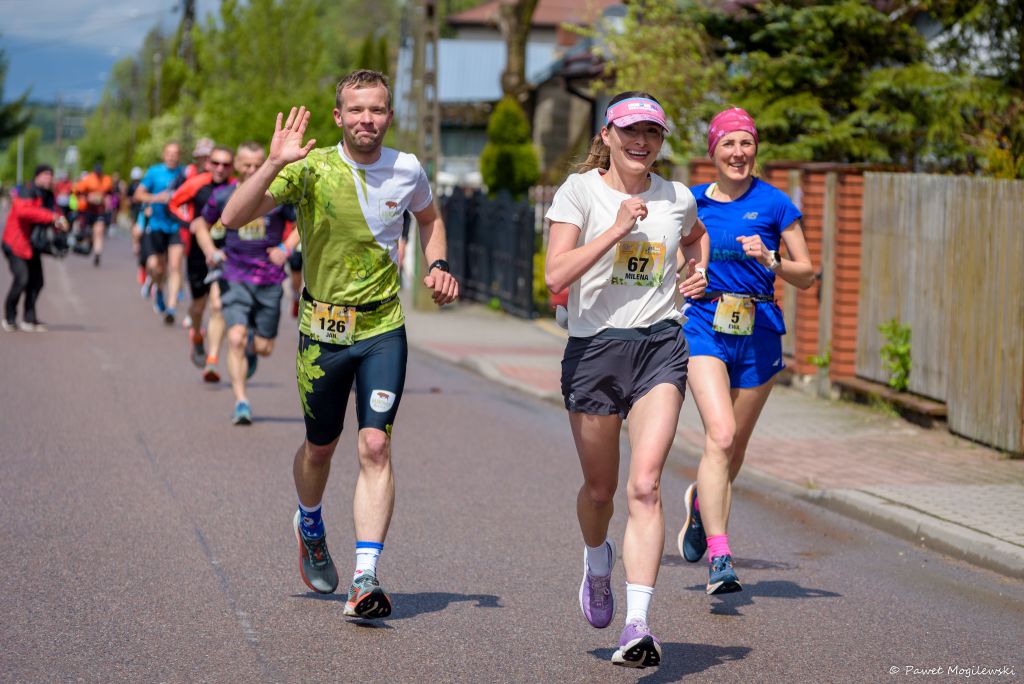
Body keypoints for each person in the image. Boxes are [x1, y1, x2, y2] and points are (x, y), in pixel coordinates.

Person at [221, 69, 459, 619]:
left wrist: (439, 263)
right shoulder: (310, 168)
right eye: (356, 110)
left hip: (382, 328)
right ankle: (309, 521)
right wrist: (275, 163)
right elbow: (233, 219)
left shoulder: (408, 169)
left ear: (389, 116)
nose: (366, 120)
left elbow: (430, 218)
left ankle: (365, 577)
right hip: (321, 332)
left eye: (376, 110)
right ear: (338, 117)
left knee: (375, 446)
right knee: (320, 448)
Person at [544, 91, 709, 668]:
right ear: (608, 135)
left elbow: (694, 236)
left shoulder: (677, 197)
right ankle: (596, 560)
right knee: (600, 492)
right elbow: (555, 275)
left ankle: (637, 624)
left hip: (659, 348)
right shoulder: (579, 192)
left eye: (653, 134)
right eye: (631, 132)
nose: (642, 143)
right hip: (593, 351)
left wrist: (698, 270)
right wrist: (615, 229)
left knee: (645, 486)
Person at [675, 107, 815, 595]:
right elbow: (671, 259)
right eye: (728, 144)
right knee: (721, 432)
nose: (738, 153)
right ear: (712, 151)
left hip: (758, 331)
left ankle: (699, 504)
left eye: (746, 144)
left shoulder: (776, 205)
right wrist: (682, 276)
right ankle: (721, 557)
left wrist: (772, 259)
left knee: (731, 452)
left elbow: (808, 273)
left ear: (756, 149)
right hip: (704, 326)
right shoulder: (689, 203)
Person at [194, 142, 292, 421]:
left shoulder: (279, 195)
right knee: (234, 337)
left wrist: (285, 249)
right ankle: (241, 401)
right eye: (246, 165)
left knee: (264, 348)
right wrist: (211, 250)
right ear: (237, 165)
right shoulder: (225, 195)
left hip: (269, 279)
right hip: (235, 275)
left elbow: (302, 224)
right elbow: (201, 223)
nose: (251, 170)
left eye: (256, 164)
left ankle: (253, 345)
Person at [170, 144, 235, 369]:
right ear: (208, 164)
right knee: (198, 306)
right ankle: (197, 336)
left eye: (225, 165)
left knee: (218, 305)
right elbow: (174, 203)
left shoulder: (235, 187)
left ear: (231, 167)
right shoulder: (197, 184)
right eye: (215, 163)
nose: (220, 168)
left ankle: (213, 359)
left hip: (225, 254)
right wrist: (189, 224)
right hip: (198, 252)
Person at [2, 164, 69, 332]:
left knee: (37, 282)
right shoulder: (27, 190)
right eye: (46, 175)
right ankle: (9, 317)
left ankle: (29, 320)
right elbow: (23, 212)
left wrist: (60, 223)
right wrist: (52, 217)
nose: (49, 178)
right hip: (16, 243)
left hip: (32, 245)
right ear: (37, 176)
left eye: (51, 175)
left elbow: (54, 213)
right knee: (22, 279)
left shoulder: (48, 195)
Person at [134, 143, 186, 324]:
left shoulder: (184, 174)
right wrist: (156, 198)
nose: (172, 156)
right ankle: (158, 289)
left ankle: (171, 308)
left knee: (175, 266)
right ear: (164, 155)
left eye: (176, 153)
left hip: (176, 226)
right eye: (169, 153)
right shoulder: (154, 172)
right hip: (157, 226)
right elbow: (138, 195)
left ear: (180, 156)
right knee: (157, 267)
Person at [75, 162, 114, 267]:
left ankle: (97, 254)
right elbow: (78, 192)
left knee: (99, 231)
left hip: (100, 211)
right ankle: (89, 241)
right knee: (88, 232)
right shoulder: (88, 180)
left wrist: (107, 199)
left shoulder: (107, 180)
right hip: (88, 210)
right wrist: (88, 197)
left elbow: (111, 193)